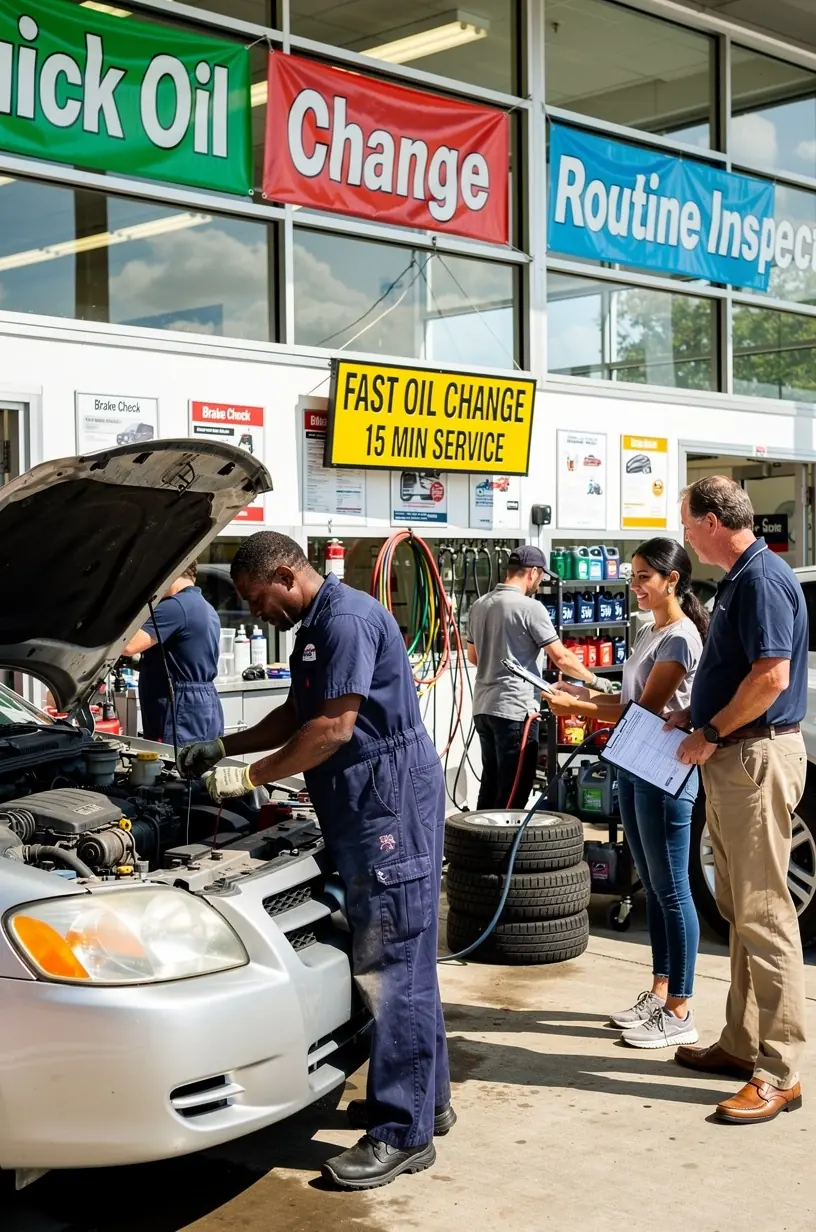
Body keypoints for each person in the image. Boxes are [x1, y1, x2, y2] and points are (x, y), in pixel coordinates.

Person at [177, 532, 451, 1190]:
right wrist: (225, 746)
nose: (252, 611)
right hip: (367, 806)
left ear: (283, 574)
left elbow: (332, 729)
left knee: (392, 966)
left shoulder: (347, 620)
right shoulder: (318, 624)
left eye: (254, 597)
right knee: (405, 958)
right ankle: (425, 1100)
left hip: (388, 811)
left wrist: (250, 779)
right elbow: (301, 710)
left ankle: (401, 1133)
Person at [668, 476, 808, 1125]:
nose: (684, 535)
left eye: (687, 522)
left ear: (712, 520)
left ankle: (780, 1070)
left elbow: (771, 675)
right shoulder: (742, 578)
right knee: (740, 908)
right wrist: (696, 722)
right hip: (732, 756)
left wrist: (713, 732)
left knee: (764, 912)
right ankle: (742, 1042)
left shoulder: (759, 579)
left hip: (751, 757)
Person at [546, 539, 708, 1048]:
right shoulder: (648, 631)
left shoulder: (680, 638)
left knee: (674, 890)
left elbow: (646, 709)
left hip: (665, 771)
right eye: (632, 576)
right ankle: (660, 993)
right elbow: (628, 698)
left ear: (672, 580)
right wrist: (582, 695)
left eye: (644, 577)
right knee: (657, 889)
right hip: (637, 766)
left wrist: (582, 708)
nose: (634, 586)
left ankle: (681, 1008)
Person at [467, 545, 614, 811]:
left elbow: (474, 657)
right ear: (532, 573)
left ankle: (476, 848)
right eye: (541, 576)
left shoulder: (480, 604)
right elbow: (562, 658)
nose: (541, 581)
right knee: (514, 791)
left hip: (483, 709)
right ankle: (503, 851)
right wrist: (595, 681)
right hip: (515, 710)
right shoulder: (530, 608)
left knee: (491, 784)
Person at [122, 561, 223, 746]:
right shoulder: (206, 608)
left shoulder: (174, 607)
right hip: (204, 704)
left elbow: (127, 645)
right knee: (198, 765)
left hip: (180, 706)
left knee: (172, 767)